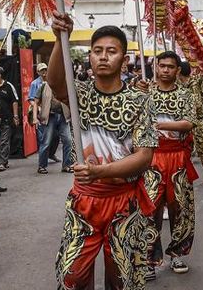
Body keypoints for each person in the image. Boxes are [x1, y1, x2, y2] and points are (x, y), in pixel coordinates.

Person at [48, 18, 157, 290]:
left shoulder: (139, 100)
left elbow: (144, 156)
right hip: (84, 202)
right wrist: (61, 38)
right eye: (97, 51)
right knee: (70, 276)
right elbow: (55, 82)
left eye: (111, 51)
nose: (103, 57)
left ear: (124, 59)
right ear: (90, 57)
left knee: (123, 279)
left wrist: (100, 171)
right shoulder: (78, 95)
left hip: (123, 203)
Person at [143, 51, 200, 278]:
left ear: (177, 70)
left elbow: (189, 123)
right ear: (156, 67)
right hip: (151, 157)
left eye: (170, 67)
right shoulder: (144, 91)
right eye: (162, 66)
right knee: (149, 208)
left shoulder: (186, 94)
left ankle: (177, 255)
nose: (166, 70)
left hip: (177, 157)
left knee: (181, 208)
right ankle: (148, 259)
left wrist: (157, 124)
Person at [33, 66, 74, 174]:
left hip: (63, 116)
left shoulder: (65, 85)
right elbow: (36, 102)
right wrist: (34, 118)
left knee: (68, 141)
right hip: (49, 117)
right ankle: (42, 166)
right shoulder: (43, 86)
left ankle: (66, 165)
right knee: (46, 142)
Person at [180, 62, 203, 184]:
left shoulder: (192, 84)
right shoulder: (180, 84)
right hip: (185, 120)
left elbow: (196, 104)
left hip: (196, 120)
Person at [0, 68, 19, 172]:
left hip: (6, 118)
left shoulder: (8, 86)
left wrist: (15, 116)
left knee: (4, 140)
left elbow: (14, 101)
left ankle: (1, 162)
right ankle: (2, 160)